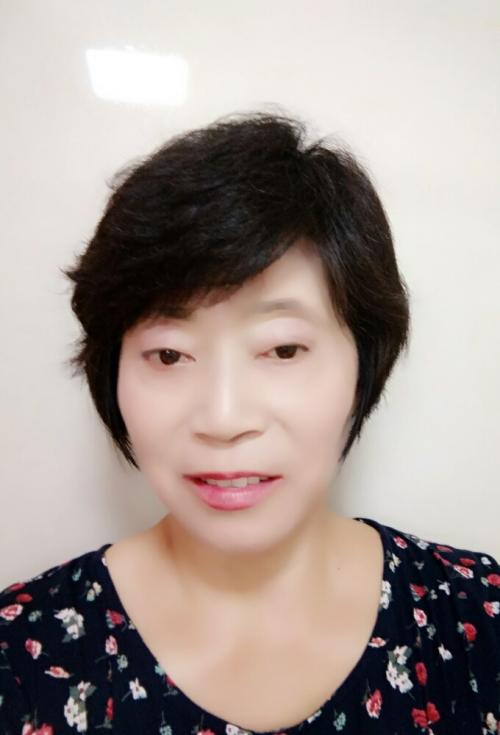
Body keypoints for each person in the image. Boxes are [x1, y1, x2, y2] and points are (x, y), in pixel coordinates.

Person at [0, 111, 498, 735]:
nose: (224, 418)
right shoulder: (20, 656)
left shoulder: (478, 619)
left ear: (363, 365)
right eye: (169, 354)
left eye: (283, 349)